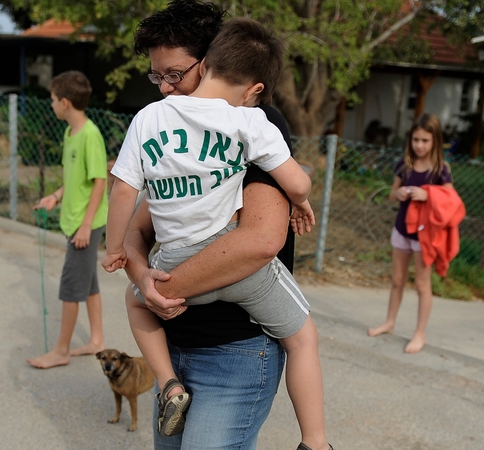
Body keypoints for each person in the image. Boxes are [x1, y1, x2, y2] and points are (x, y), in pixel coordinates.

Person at [103, 17, 325, 443]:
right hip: (205, 305)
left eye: (174, 74)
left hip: (231, 345)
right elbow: (141, 224)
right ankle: (316, 440)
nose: (164, 87)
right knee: (304, 338)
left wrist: (139, 273)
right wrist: (301, 196)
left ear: (206, 64)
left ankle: (166, 383)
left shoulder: (155, 120)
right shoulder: (243, 123)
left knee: (134, 305)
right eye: (156, 75)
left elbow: (259, 241)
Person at [26, 71, 109, 369]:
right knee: (88, 284)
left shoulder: (90, 135)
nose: (50, 105)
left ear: (64, 103)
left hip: (83, 225)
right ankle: (96, 339)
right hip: (75, 219)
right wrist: (56, 197)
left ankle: (61, 351)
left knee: (71, 288)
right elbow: (77, 180)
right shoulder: (69, 133)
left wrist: (86, 225)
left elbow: (100, 182)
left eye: (51, 100)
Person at [368, 113, 454, 354]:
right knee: (397, 280)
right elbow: (391, 195)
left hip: (425, 237)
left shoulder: (441, 170)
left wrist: (429, 196)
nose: (419, 145)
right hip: (402, 230)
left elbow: (452, 201)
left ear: (435, 141)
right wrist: (401, 193)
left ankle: (420, 334)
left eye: (425, 140)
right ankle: (389, 322)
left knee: (422, 285)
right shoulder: (404, 165)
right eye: (416, 139)